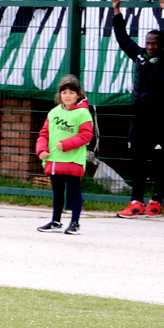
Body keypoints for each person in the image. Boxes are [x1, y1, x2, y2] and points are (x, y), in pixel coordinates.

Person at [111, 0, 164, 218]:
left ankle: (156, 201)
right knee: (137, 160)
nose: (150, 46)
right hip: (139, 117)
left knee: (159, 160)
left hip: (159, 118)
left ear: (161, 45)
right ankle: (136, 202)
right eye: (148, 42)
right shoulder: (140, 55)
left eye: (154, 43)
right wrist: (117, 11)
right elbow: (122, 39)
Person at [34, 75, 94, 235]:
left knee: (74, 190)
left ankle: (75, 223)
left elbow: (86, 136)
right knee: (57, 191)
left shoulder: (83, 114)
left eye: (71, 92)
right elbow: (44, 134)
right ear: (59, 94)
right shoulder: (53, 112)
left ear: (79, 95)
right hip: (54, 160)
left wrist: (66, 145)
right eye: (64, 92)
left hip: (73, 160)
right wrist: (41, 150)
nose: (67, 96)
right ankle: (55, 221)